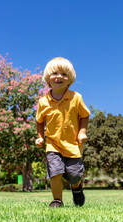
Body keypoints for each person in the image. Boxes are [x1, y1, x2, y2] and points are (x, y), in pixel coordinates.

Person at [35, 57, 90, 207]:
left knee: (74, 175)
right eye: (55, 73)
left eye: (64, 74)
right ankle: (57, 200)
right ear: (47, 78)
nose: (59, 77)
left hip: (73, 144)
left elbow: (84, 115)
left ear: (69, 80)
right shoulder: (43, 102)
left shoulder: (76, 98)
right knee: (55, 173)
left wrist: (82, 132)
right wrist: (40, 137)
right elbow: (39, 121)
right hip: (53, 144)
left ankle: (77, 188)